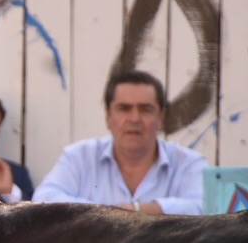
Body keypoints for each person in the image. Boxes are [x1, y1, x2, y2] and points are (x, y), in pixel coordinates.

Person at [35, 70, 205, 216]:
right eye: (124, 108)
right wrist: (112, 214)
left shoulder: (189, 163)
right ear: (108, 116)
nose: (134, 119)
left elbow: (207, 207)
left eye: (145, 109)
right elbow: (43, 199)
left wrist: (139, 210)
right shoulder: (79, 156)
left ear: (161, 117)